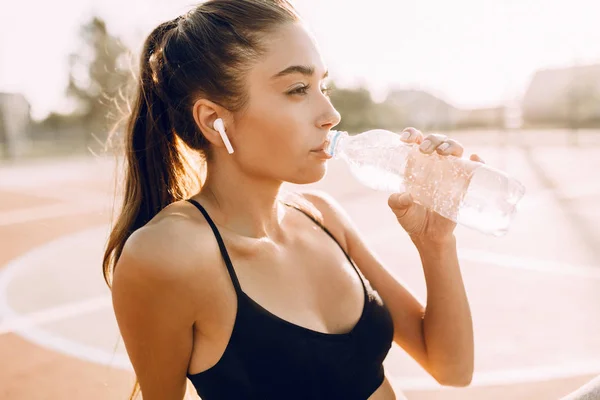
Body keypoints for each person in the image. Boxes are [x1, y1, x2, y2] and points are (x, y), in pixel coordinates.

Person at [103, 1, 479, 399]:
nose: (331, 114)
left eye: (323, 86)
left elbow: (451, 368)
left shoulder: (323, 216)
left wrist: (435, 242)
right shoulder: (167, 254)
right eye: (298, 89)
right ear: (213, 120)